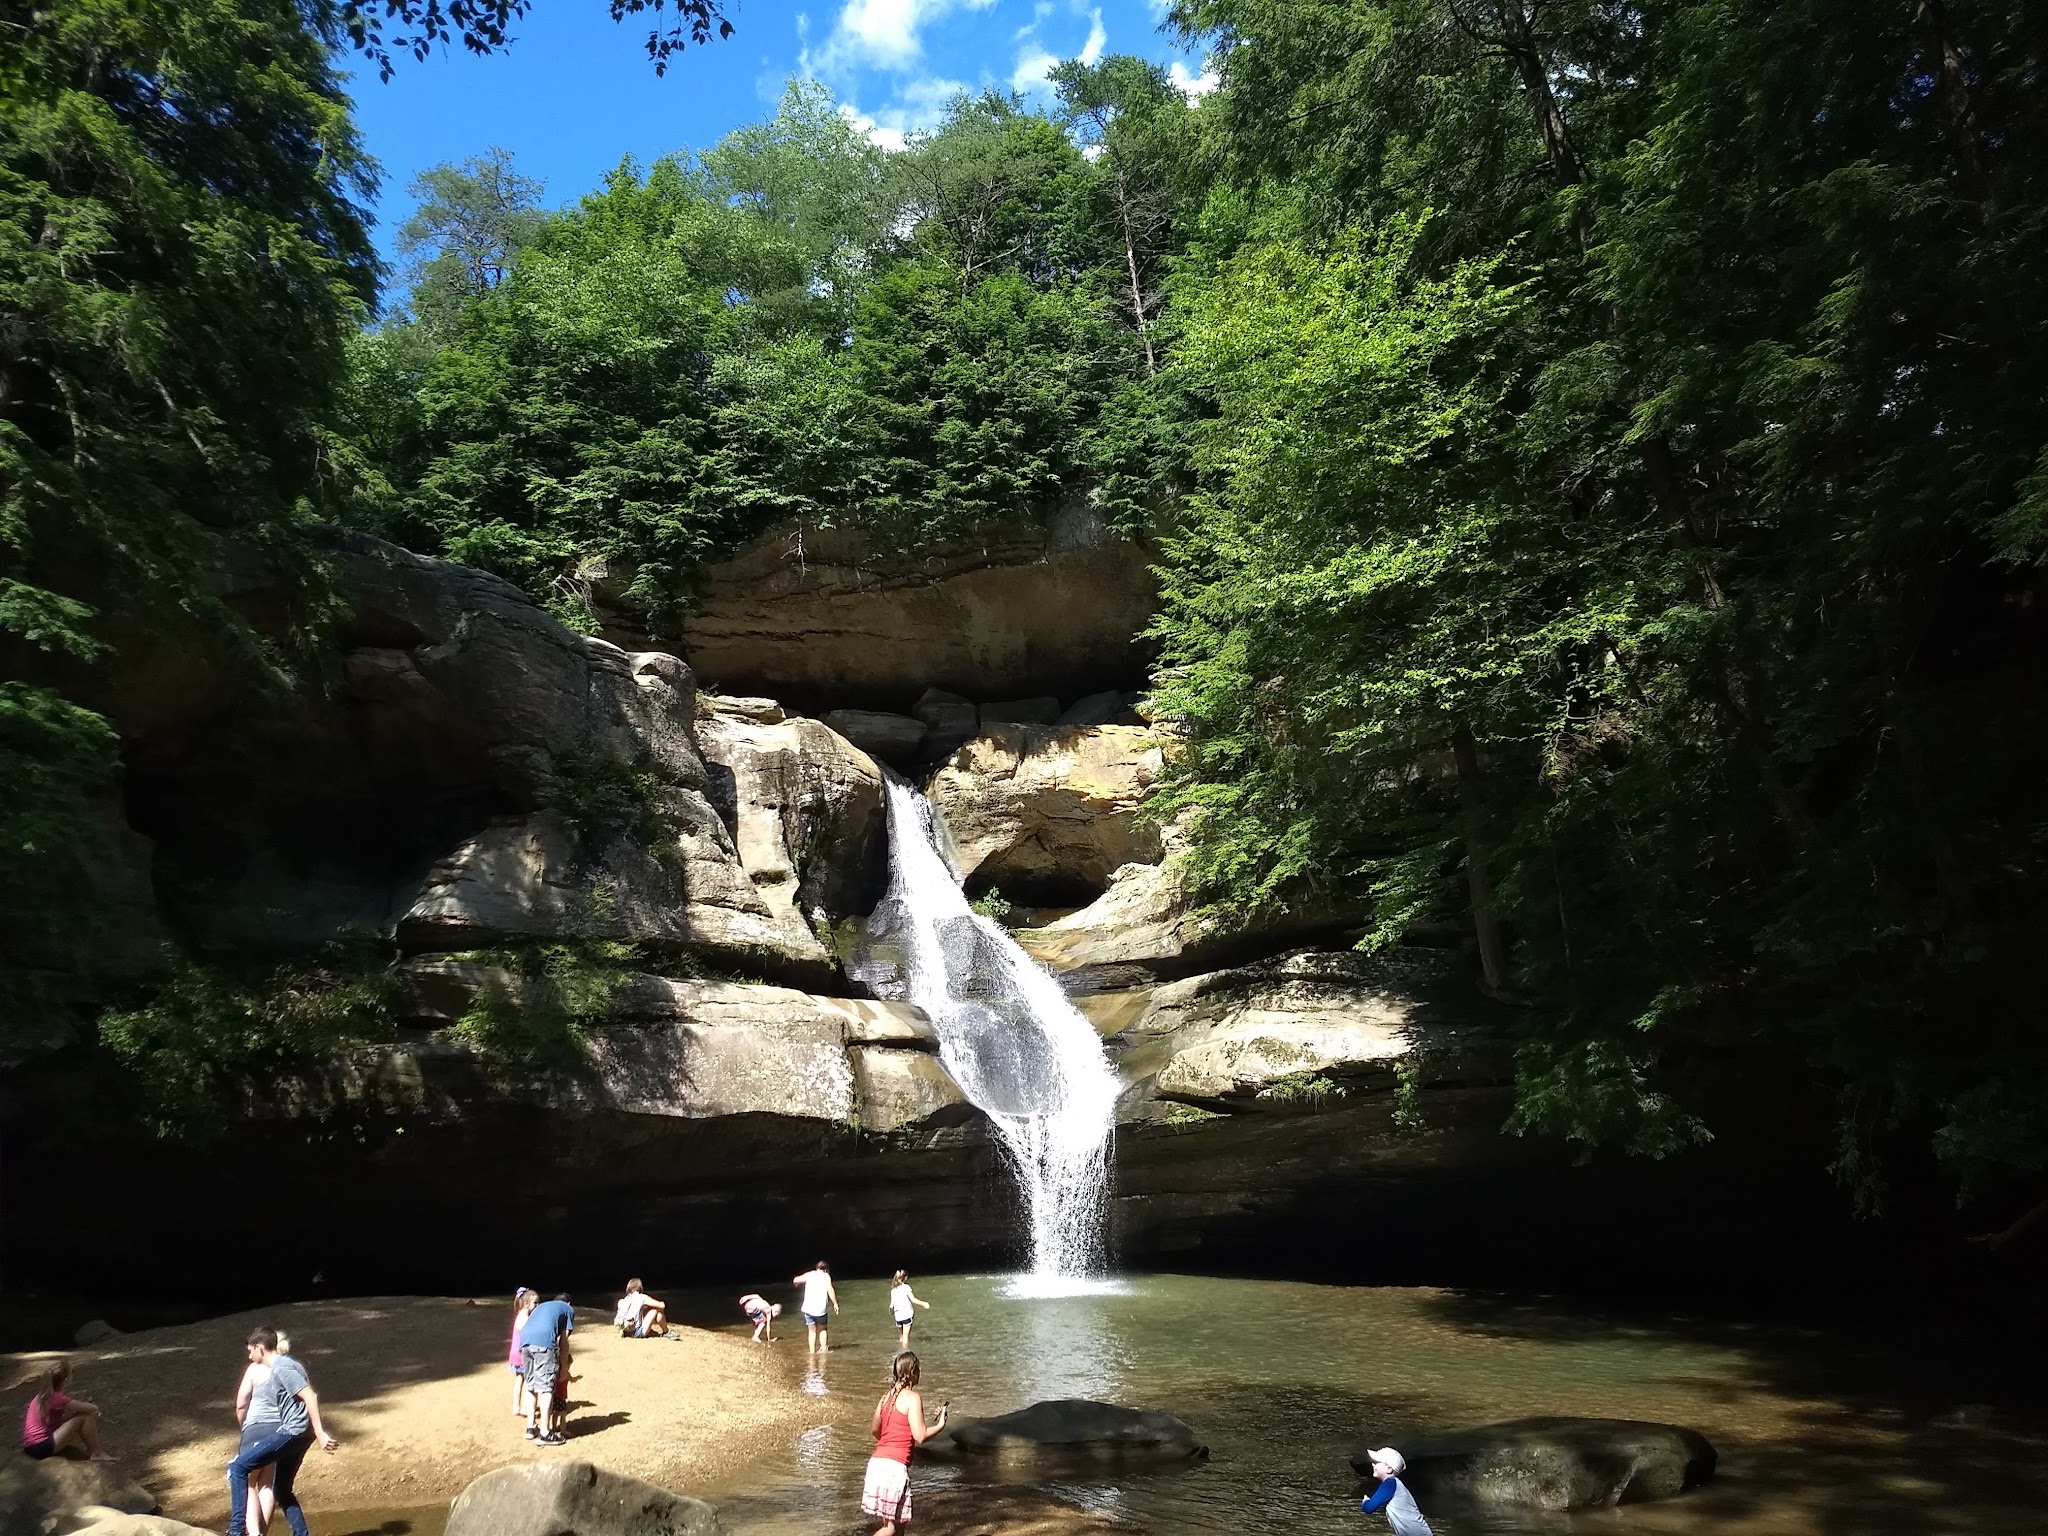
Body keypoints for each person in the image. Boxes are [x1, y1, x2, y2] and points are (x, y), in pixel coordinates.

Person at [224, 1327, 338, 1536]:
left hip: (294, 1431)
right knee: (281, 1489)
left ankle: (236, 1531)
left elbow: (310, 1396)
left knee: (238, 1468)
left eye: (251, 1350)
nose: (249, 1356)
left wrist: (321, 1432)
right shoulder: (291, 1364)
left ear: (260, 1348)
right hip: (303, 1434)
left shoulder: (281, 1367)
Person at [862, 1350, 946, 1536]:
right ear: (913, 1371)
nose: (920, 1374)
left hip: (877, 1464)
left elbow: (875, 1430)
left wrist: (892, 1440)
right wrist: (941, 1425)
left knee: (899, 1527)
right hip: (893, 1469)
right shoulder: (912, 1398)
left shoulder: (886, 1397)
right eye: (919, 1369)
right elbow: (920, 1436)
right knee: (890, 1528)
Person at [232, 1330, 292, 1533]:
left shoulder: (254, 1369)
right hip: (278, 1431)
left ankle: (254, 1533)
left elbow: (241, 1403)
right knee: (266, 1485)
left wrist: (245, 1426)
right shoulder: (286, 1369)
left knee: (248, 1482)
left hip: (255, 1429)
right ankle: (261, 1532)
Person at [20, 1361, 111, 1461]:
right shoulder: (58, 1398)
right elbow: (92, 1408)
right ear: (66, 1380)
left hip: (30, 1446)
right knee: (85, 1417)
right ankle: (97, 1453)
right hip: (41, 1446)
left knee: (76, 1416)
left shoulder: (43, 1396)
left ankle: (95, 1452)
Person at [518, 1293, 575, 1445]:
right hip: (544, 1344)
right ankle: (545, 1432)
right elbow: (564, 1341)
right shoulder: (568, 1310)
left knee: (531, 1385)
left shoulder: (542, 1307)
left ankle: (530, 1428)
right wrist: (564, 1368)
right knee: (546, 1388)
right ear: (569, 1304)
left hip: (525, 1341)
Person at [1359, 1447, 1432, 1536]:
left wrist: (1365, 1501)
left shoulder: (1390, 1484)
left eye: (1377, 1462)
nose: (1373, 1464)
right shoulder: (1394, 1484)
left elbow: (1369, 1507)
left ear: (1389, 1469)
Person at [792, 1261, 839, 1354]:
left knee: (811, 1331)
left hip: (808, 1308)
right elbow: (830, 1289)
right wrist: (835, 1303)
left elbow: (795, 1280)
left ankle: (812, 1352)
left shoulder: (810, 1274)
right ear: (826, 1270)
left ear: (817, 1268)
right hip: (820, 1309)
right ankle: (823, 1349)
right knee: (822, 1329)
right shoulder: (826, 1276)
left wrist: (796, 1284)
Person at [508, 1289, 536, 1418]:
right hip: (522, 1354)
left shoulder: (520, 1316)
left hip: (515, 1353)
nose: (536, 1305)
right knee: (528, 1380)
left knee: (519, 1379)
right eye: (535, 1303)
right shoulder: (525, 1318)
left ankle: (516, 1407)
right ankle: (525, 1407)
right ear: (526, 1303)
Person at [887, 1271, 930, 1349]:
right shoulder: (906, 1287)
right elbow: (913, 1300)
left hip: (898, 1317)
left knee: (901, 1337)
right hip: (906, 1315)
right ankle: (904, 1351)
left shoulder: (893, 1290)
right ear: (905, 1278)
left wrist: (892, 1313)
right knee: (905, 1338)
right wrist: (924, 1303)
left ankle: (899, 1351)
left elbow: (891, 1305)